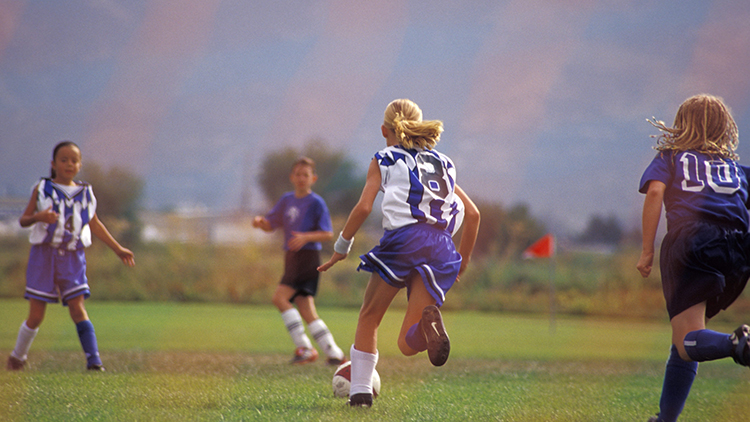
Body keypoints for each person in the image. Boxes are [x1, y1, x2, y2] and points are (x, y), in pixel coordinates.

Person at [318, 98, 480, 407]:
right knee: (408, 342)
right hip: (443, 247)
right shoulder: (444, 163)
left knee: (369, 316)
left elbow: (365, 206)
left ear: (384, 130)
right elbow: (472, 215)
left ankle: (361, 393)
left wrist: (342, 247)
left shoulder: (385, 158)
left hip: (405, 240)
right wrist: (463, 262)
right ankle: (426, 329)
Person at [637, 94, 750, 422]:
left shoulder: (671, 157)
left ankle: (737, 344)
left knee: (688, 341)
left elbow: (656, 192)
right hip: (738, 247)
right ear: (724, 127)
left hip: (693, 243)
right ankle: (666, 418)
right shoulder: (734, 168)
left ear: (681, 123)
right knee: (685, 342)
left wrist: (647, 250)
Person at [7, 141, 136, 372]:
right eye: (63, 159)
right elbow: (23, 220)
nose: (69, 164)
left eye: (74, 160)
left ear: (79, 165)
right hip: (44, 256)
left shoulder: (85, 193)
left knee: (77, 308)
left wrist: (118, 248)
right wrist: (39, 217)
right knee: (36, 315)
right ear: (53, 164)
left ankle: (94, 361)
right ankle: (17, 357)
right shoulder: (42, 188)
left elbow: (94, 224)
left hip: (73, 257)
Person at [252, 156, 346, 365]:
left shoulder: (316, 202)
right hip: (291, 257)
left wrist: (305, 237)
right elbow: (271, 224)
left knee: (280, 298)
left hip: (307, 257)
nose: (302, 178)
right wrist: (261, 223)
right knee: (306, 309)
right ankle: (334, 353)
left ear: (313, 178)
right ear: (291, 177)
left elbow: (328, 233)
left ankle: (305, 348)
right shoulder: (287, 200)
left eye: (306, 175)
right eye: (298, 174)